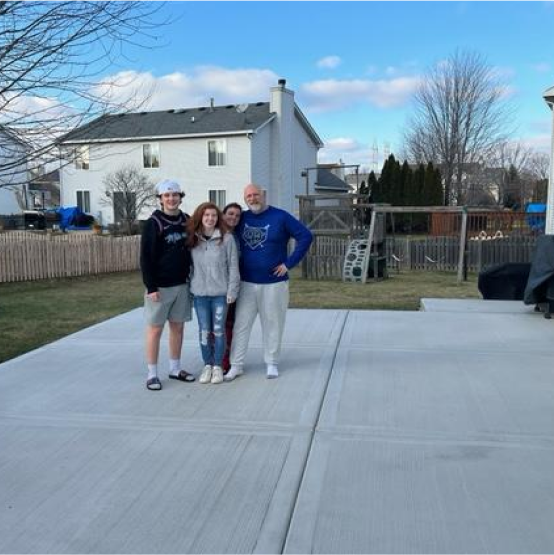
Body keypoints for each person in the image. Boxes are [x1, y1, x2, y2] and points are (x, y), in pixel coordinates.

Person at [225, 184, 313, 381]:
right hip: (246, 282)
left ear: (264, 195)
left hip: (274, 283)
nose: (253, 198)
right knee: (241, 324)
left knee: (273, 323)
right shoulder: (242, 218)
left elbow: (305, 236)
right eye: (248, 196)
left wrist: (289, 263)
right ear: (244, 198)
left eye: (256, 195)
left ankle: (271, 363)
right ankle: (236, 365)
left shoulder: (280, 217)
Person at [140, 179, 195, 391]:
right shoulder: (153, 223)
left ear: (181, 197)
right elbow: (145, 257)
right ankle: (152, 374)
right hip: (160, 287)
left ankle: (174, 368)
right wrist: (151, 286)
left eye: (175, 195)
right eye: (167, 196)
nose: (171, 199)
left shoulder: (187, 220)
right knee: (155, 330)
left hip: (182, 284)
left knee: (178, 328)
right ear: (161, 199)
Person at [188, 202, 240, 384]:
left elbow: (233, 266)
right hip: (200, 294)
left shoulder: (226, 239)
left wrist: (232, 290)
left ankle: (217, 366)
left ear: (218, 218)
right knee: (204, 331)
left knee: (218, 331)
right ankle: (207, 365)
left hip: (220, 293)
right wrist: (190, 289)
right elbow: (189, 267)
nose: (210, 219)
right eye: (206, 215)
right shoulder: (193, 239)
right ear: (200, 217)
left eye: (213, 215)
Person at [221, 202, 242, 373]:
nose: (233, 217)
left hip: (235, 287)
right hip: (219, 287)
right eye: (230, 214)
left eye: (237, 215)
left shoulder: (236, 236)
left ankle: (228, 360)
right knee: (219, 325)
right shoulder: (217, 235)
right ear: (223, 215)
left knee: (230, 324)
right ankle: (219, 360)